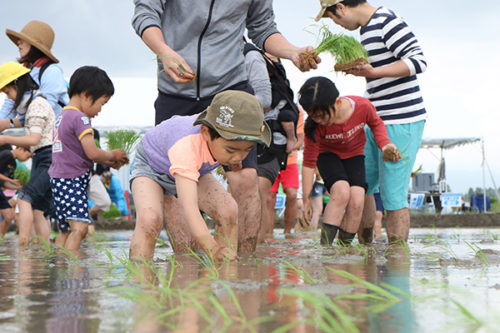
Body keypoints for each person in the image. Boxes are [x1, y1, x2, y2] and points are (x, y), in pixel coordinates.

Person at [132, 0, 320, 252]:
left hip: (230, 88)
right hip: (176, 84)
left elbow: (263, 27)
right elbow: (146, 12)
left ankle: (241, 271)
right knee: (176, 189)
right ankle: (187, 272)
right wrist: (163, 50)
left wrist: (292, 51)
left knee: (245, 177)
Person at [317, 0, 427, 243]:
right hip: (372, 118)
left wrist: (373, 71)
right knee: (363, 185)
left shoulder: (387, 20)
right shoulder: (366, 30)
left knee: (393, 195)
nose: (336, 23)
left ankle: (397, 261)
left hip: (401, 118)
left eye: (333, 17)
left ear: (342, 7)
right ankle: (367, 253)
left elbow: (419, 61)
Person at [129, 90, 271, 262]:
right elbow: (189, 206)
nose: (238, 157)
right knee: (150, 220)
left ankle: (225, 273)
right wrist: (212, 248)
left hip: (193, 169)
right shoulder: (186, 146)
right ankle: (140, 278)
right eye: (231, 151)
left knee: (228, 209)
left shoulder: (228, 142)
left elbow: (235, 154)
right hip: (152, 168)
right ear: (205, 133)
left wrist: (234, 160)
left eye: (246, 150)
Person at [299, 77, 399, 246]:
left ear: (337, 102)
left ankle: (343, 248)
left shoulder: (362, 106)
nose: (319, 121)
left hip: (354, 155)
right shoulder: (314, 127)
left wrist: (385, 145)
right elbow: (309, 163)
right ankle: (326, 249)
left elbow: (376, 123)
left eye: (322, 116)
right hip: (328, 155)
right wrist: (306, 200)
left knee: (357, 199)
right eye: (314, 117)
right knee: (341, 191)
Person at [48, 66, 128, 251]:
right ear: (86, 95)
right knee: (81, 228)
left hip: (60, 179)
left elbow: (78, 152)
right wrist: (113, 154)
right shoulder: (81, 118)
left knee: (66, 231)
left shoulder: (63, 115)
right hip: (71, 180)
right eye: (102, 103)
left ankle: (60, 267)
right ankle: (76, 273)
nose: (100, 110)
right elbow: (92, 152)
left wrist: (107, 161)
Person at [0, 62, 56, 247]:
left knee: (24, 197)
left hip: (47, 157)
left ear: (17, 85)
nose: (8, 98)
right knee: (38, 209)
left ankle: (23, 248)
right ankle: (44, 251)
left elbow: (33, 139)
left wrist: (6, 140)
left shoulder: (37, 105)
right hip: (43, 157)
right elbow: (20, 121)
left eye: (8, 92)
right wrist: (5, 124)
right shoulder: (34, 104)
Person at [0, 20, 68, 126]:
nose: (18, 42)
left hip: (57, 137)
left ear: (35, 46)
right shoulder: (22, 71)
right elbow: (8, 109)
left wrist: (8, 125)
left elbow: (43, 113)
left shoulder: (51, 72)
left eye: (23, 40)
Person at [267, 108, 305, 234]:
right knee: (269, 197)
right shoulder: (267, 107)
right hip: (269, 158)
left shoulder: (296, 111)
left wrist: (289, 148)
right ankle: (268, 233)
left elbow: (300, 137)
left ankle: (287, 232)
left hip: (290, 158)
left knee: (292, 194)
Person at [0, 145, 31, 237]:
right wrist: (11, 181)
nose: (26, 159)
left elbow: (3, 183)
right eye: (27, 156)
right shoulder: (7, 154)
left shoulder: (14, 164)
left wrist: (17, 188)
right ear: (20, 149)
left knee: (9, 216)